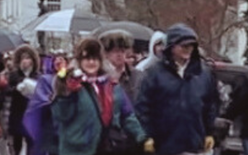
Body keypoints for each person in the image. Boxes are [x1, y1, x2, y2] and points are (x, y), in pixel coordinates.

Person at [51, 38, 148, 155]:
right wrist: (64, 93)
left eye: (95, 58)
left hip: (108, 147)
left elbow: (127, 115)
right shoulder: (73, 84)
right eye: (87, 58)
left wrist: (142, 137)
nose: (91, 62)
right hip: (78, 149)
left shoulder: (112, 85)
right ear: (79, 61)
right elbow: (61, 116)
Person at [136, 24, 221, 155]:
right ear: (172, 46)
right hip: (165, 144)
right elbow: (144, 107)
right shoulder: (154, 74)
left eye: (191, 46)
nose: (188, 49)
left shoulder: (203, 74)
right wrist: (147, 136)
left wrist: (210, 132)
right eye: (184, 46)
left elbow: (211, 105)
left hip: (196, 144)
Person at [3, 45, 42, 155]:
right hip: (17, 114)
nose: (25, 61)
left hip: (32, 115)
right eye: (22, 58)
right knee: (16, 144)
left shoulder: (38, 76)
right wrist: (15, 88)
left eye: (28, 58)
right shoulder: (13, 76)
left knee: (32, 144)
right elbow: (6, 92)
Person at [99, 30, 143, 100]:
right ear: (106, 54)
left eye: (122, 51)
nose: (119, 55)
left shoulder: (137, 75)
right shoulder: (100, 75)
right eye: (115, 51)